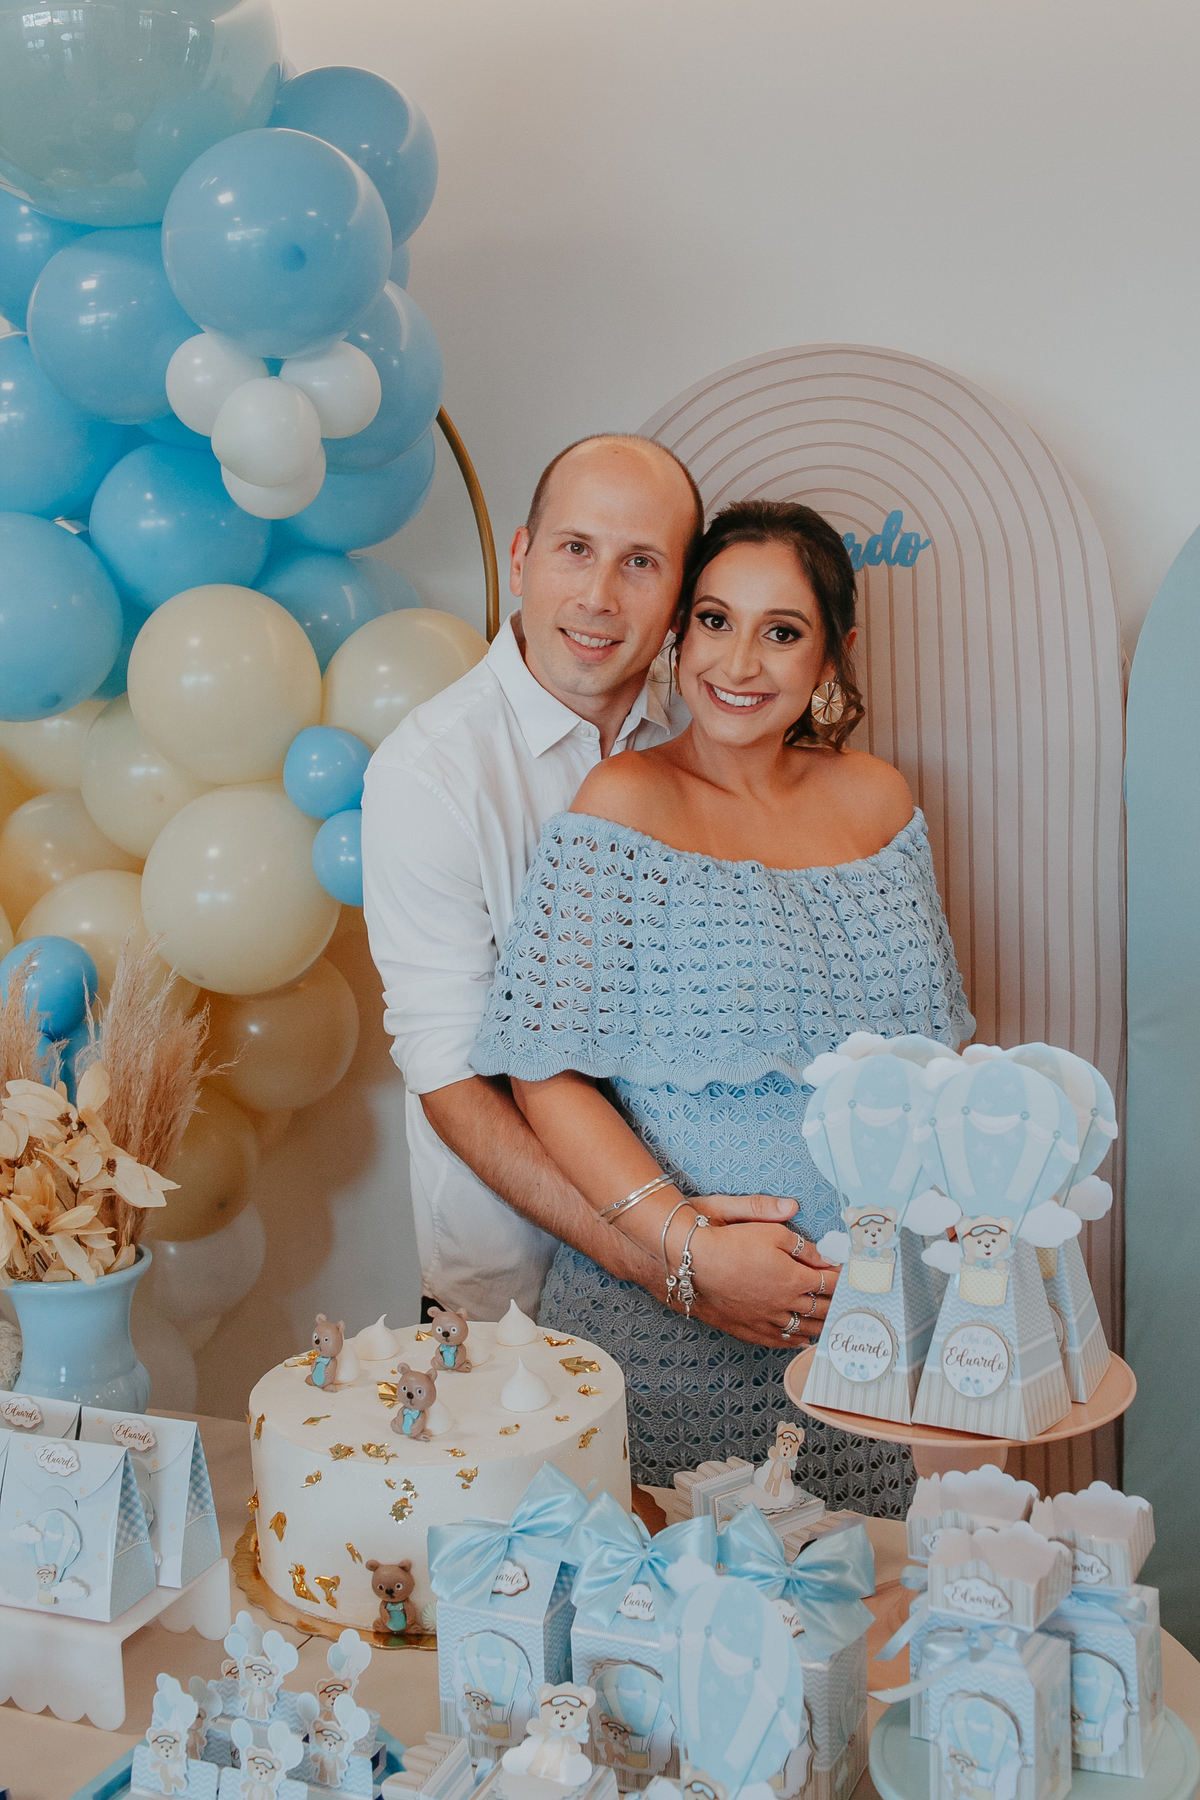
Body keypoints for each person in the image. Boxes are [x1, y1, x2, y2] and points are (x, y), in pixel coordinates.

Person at [471, 498, 973, 1504]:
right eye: (714, 620)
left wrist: (956, 1217)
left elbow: (936, 1063)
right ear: (679, 632)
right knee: (659, 1579)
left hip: (864, 1329)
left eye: (781, 632)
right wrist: (687, 1251)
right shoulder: (622, 802)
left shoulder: (881, 801)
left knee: (855, 1583)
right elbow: (544, 1071)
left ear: (833, 655)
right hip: (669, 1333)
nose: (739, 662)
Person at [361, 437, 833, 1341]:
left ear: (681, 596)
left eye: (641, 563)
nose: (599, 597)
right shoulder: (429, 774)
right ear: (520, 557)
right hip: (521, 1293)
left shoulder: (716, 717)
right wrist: (674, 1263)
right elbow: (452, 1076)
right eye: (576, 549)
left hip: (734, 1260)